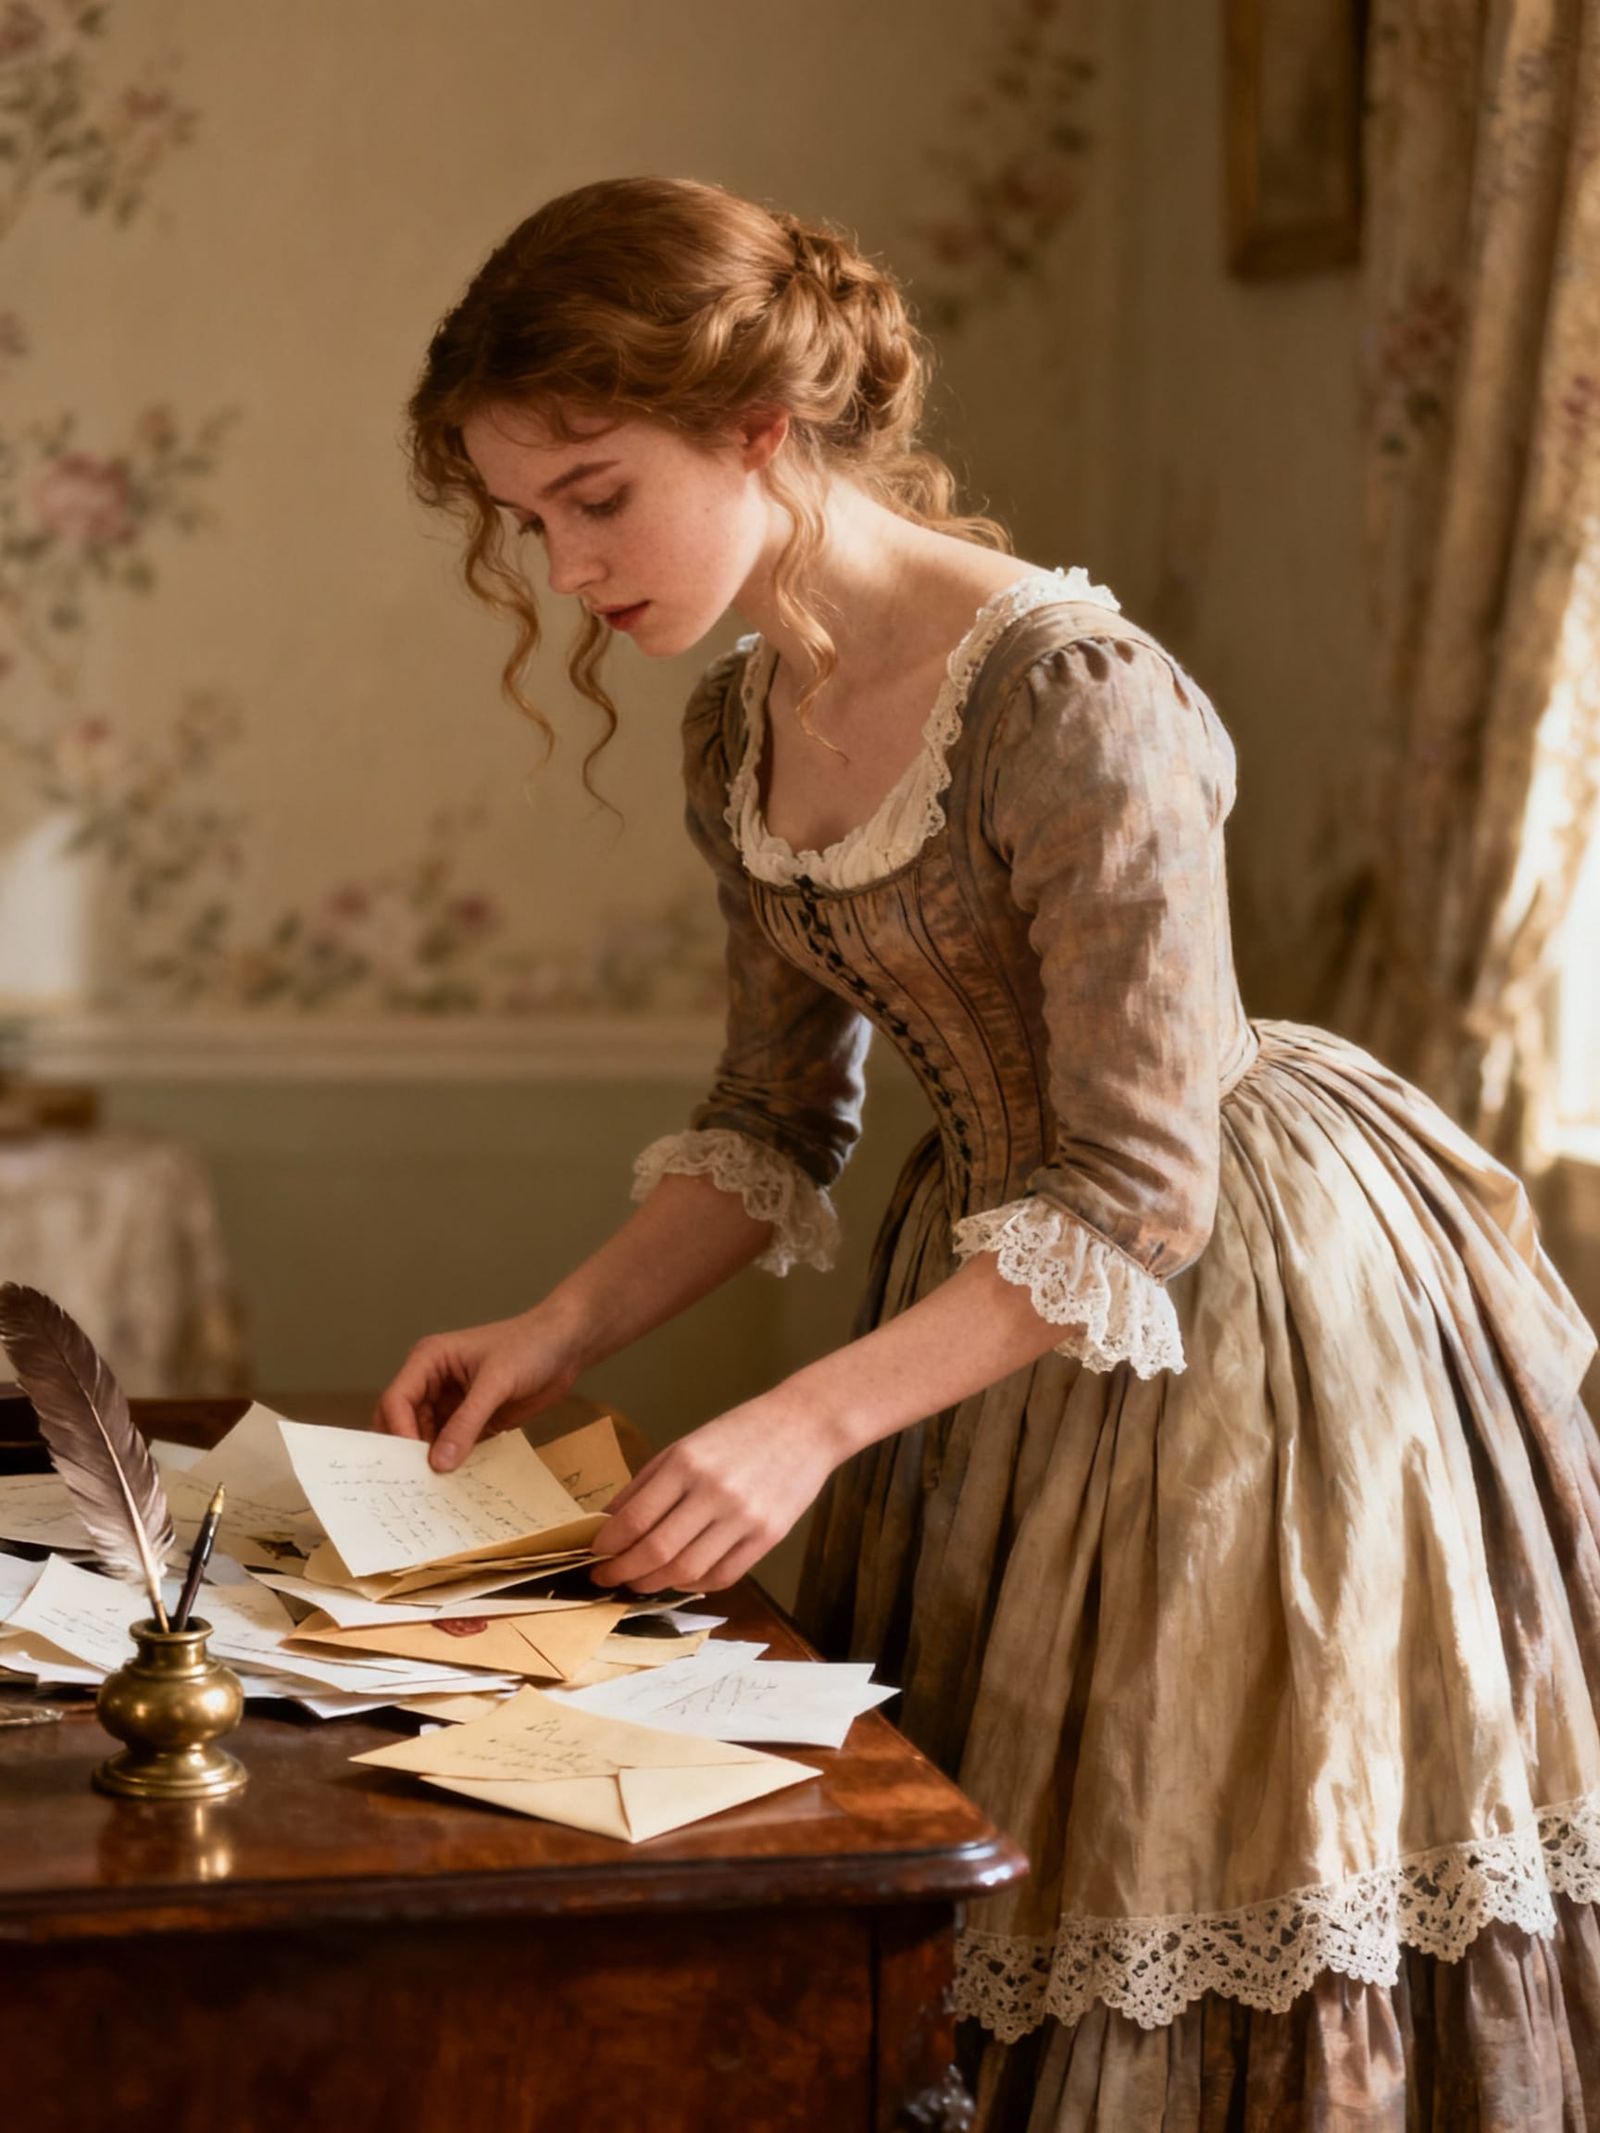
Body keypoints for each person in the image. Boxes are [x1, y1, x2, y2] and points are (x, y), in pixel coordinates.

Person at [377, 174, 1600, 2128]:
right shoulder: (741, 731)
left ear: (758, 429)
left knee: (1194, 1838)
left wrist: (796, 1425)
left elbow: (1136, 1184)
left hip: (1240, 1296)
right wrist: (559, 1324)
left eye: (594, 493)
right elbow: (777, 1115)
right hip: (988, 1291)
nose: (563, 567)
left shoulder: (1067, 698)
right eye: (529, 520)